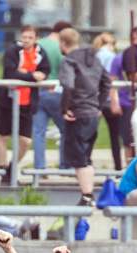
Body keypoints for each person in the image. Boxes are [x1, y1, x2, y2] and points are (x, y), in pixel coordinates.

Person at [58, 27, 111, 206]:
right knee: (86, 157)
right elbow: (107, 82)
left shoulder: (68, 61)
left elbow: (68, 85)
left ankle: (87, 196)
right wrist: (99, 105)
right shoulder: (94, 59)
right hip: (92, 114)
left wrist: (65, 109)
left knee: (79, 159)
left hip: (78, 114)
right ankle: (88, 195)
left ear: (63, 43)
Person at [0, 24, 51, 179]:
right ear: (21, 37)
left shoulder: (40, 52)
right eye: (24, 37)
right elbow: (10, 72)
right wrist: (32, 76)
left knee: (25, 141)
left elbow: (45, 71)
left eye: (30, 38)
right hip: (8, 99)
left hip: (27, 102)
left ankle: (11, 168)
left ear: (36, 39)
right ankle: (2, 167)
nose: (27, 40)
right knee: (3, 135)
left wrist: (28, 73)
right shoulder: (13, 51)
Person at [33, 20, 72, 171]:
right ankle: (64, 165)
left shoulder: (39, 44)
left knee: (38, 133)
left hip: (37, 91)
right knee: (65, 130)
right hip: (55, 92)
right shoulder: (61, 47)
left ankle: (39, 168)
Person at [94, 32, 123, 171]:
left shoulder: (95, 56)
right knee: (115, 136)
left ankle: (85, 163)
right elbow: (112, 80)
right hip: (108, 99)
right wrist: (114, 101)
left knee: (91, 134)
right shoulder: (112, 57)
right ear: (111, 44)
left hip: (94, 99)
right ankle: (118, 166)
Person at [109, 42, 135, 166]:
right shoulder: (119, 58)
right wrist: (114, 102)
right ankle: (130, 167)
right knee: (127, 140)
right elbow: (111, 81)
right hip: (125, 103)